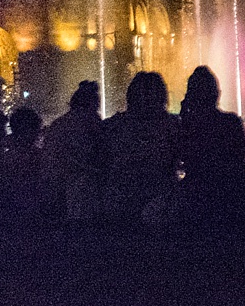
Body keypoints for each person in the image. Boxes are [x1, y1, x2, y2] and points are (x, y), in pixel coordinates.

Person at [178, 66, 245, 224]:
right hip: (233, 191)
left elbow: (183, 159)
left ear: (190, 96)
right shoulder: (231, 121)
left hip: (198, 195)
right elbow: (240, 154)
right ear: (216, 93)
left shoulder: (186, 126)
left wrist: (184, 114)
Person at [101, 71, 179, 222]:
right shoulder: (172, 126)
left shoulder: (112, 127)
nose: (148, 100)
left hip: (122, 206)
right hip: (160, 207)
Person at [40, 81, 104, 225]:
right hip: (81, 193)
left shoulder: (58, 124)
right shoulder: (89, 123)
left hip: (56, 191)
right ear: (93, 103)